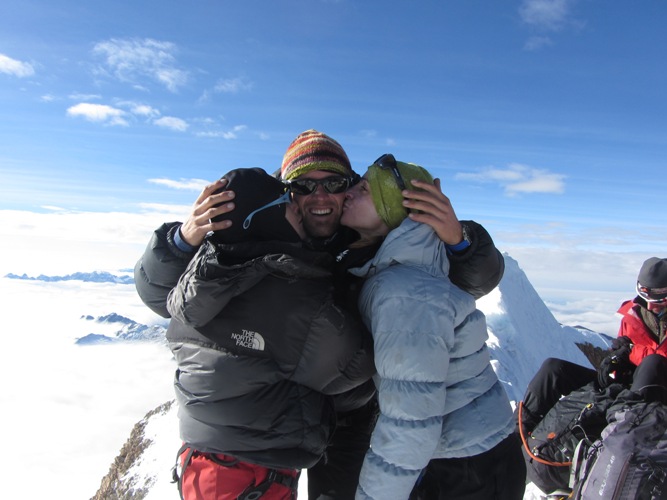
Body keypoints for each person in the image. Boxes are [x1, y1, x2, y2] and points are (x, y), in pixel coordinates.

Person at [135, 129, 506, 499]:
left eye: (334, 183)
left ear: (350, 187)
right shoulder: (258, 223)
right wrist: (181, 241)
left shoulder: (370, 227)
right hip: (280, 414)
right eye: (304, 186)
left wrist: (459, 240)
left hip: (353, 415)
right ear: (287, 193)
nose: (321, 196)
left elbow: (469, 283)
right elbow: (165, 298)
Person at [163, 168, 375, 500]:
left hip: (201, 462)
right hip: (255, 474)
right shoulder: (290, 294)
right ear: (262, 217)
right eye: (286, 203)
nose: (296, 208)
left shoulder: (194, 279)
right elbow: (354, 366)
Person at [338, 154, 526, 500]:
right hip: (474, 454)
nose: (348, 192)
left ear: (395, 210)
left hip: (468, 470)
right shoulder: (406, 266)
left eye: (363, 189)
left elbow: (410, 424)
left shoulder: (403, 292)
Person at [519, 256, 667, 436]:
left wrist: (630, 351)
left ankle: (623, 439)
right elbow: (626, 354)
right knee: (553, 370)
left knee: (653, 363)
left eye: (658, 299)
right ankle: (517, 434)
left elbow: (658, 361)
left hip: (654, 394)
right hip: (624, 386)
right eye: (645, 297)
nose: (650, 305)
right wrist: (614, 361)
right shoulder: (634, 315)